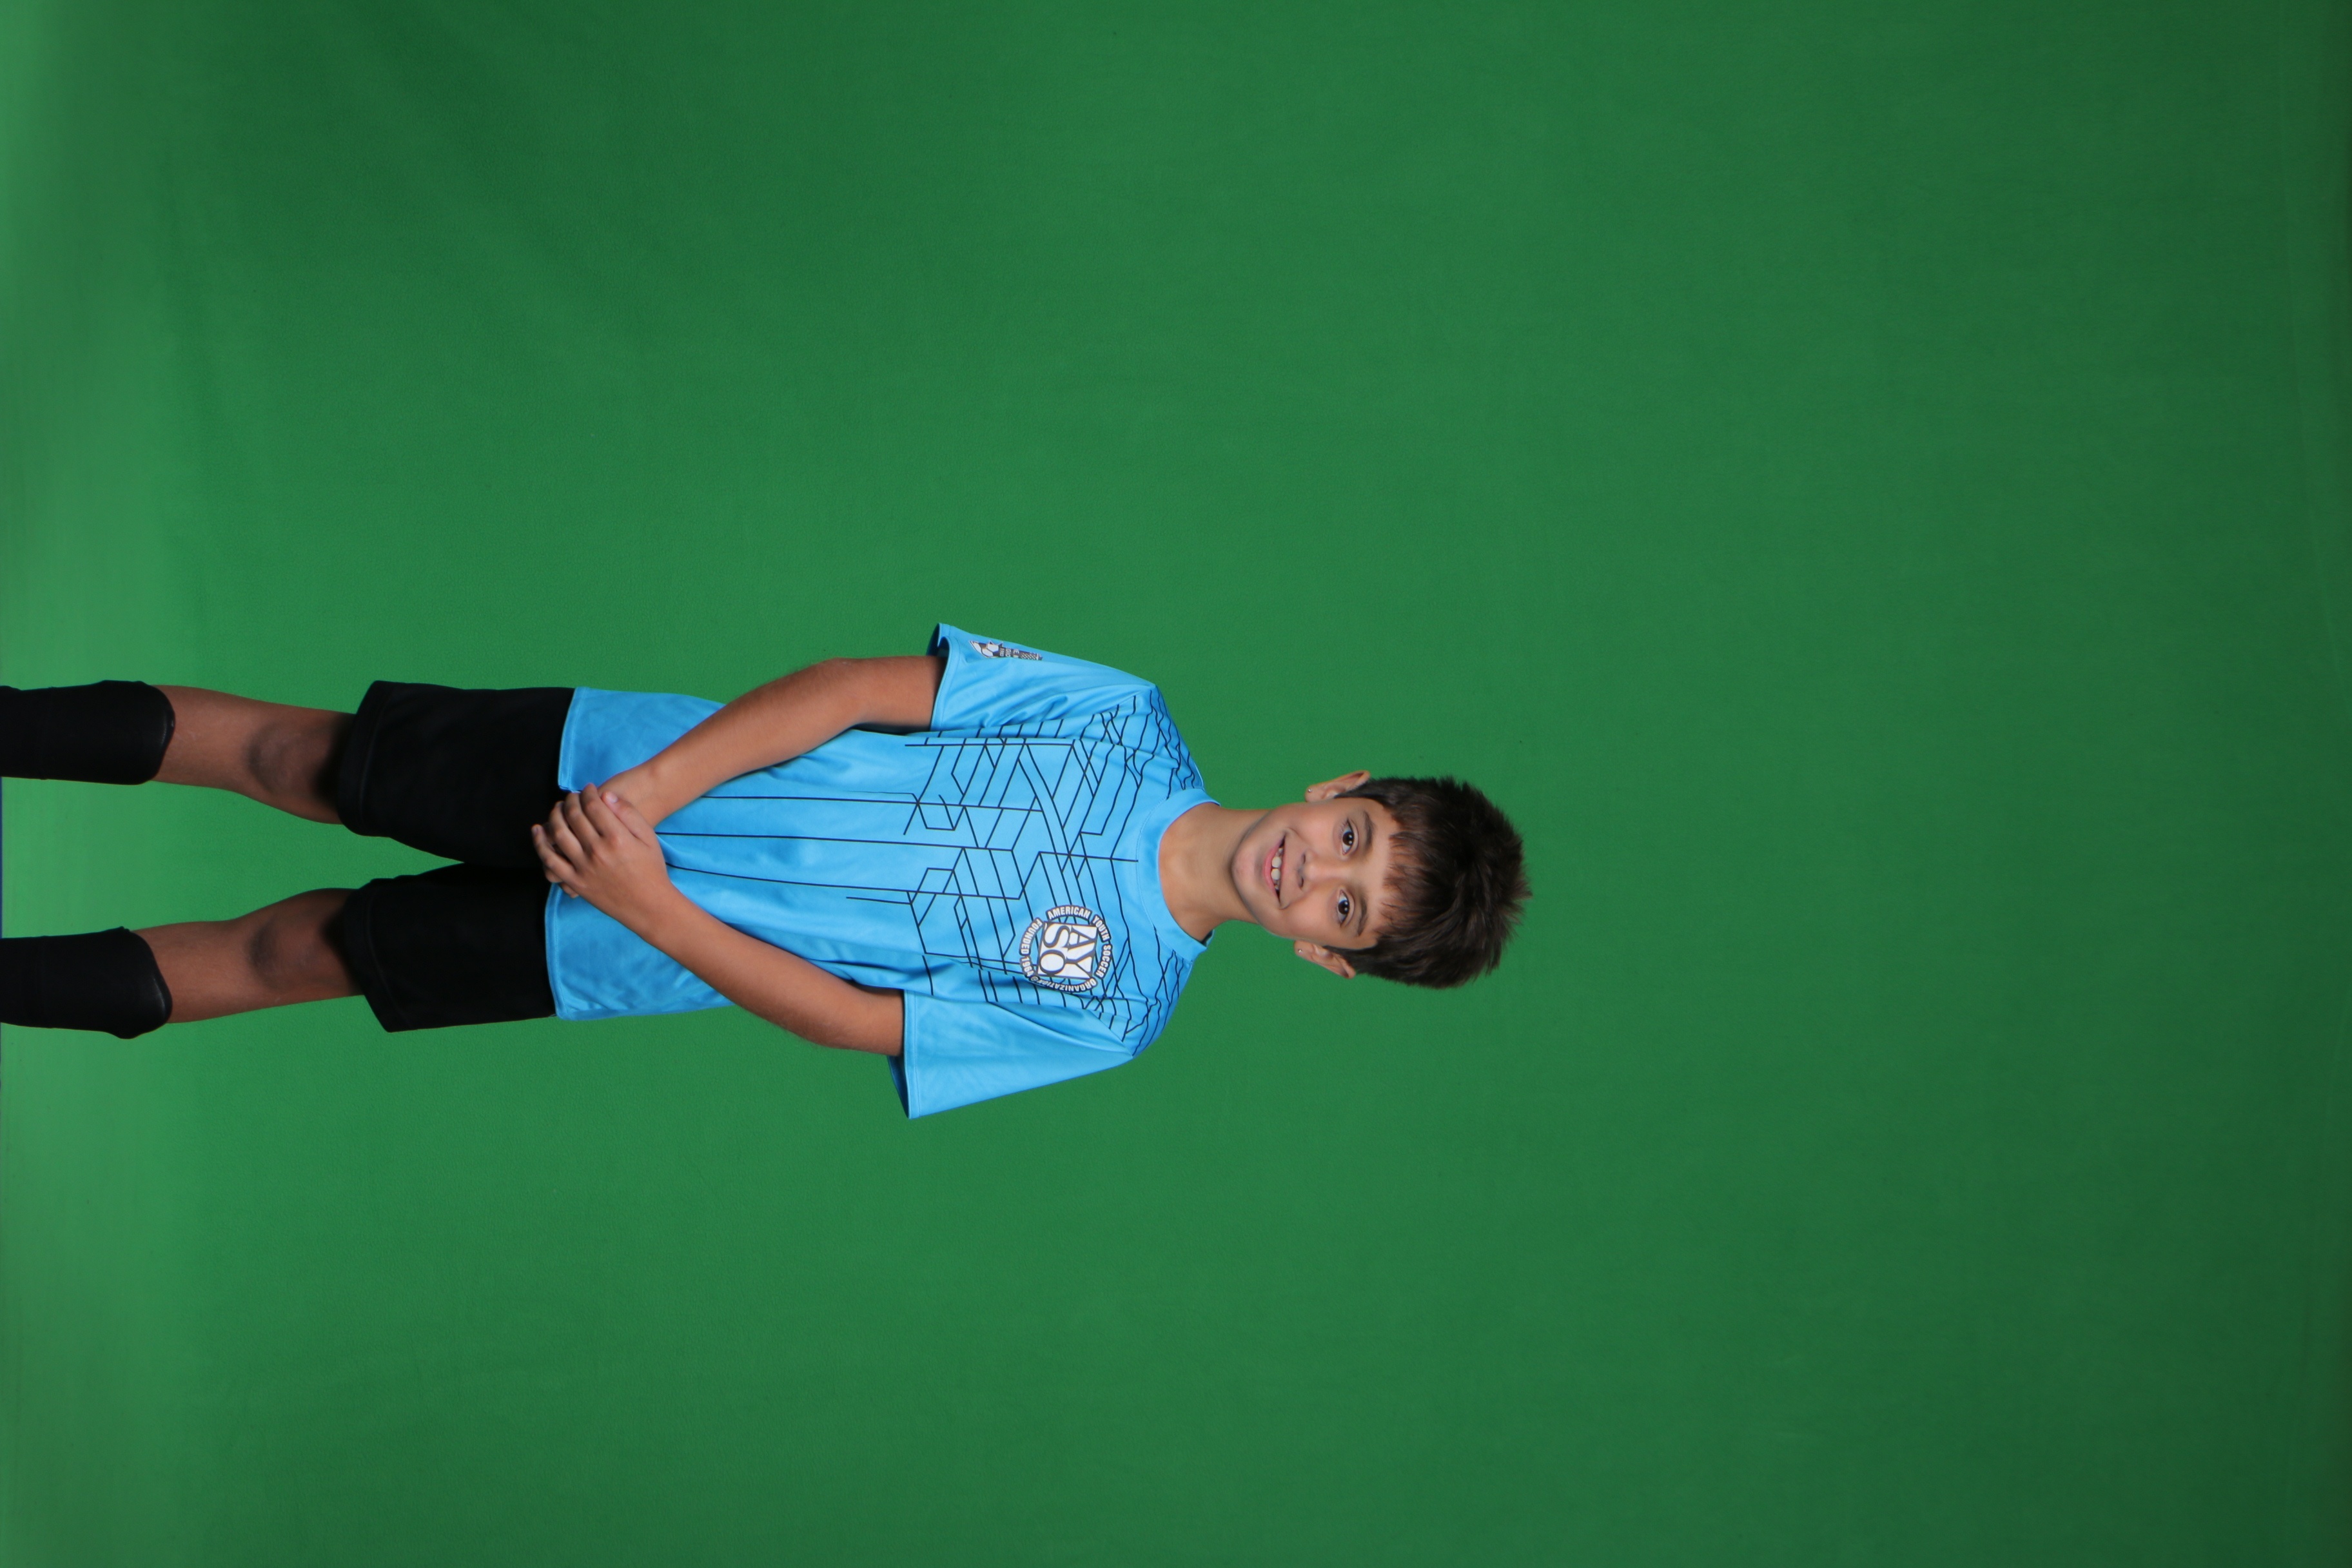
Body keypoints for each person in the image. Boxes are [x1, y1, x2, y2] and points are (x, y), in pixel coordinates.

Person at [0, 627, 1529, 1116]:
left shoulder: (1113, 1011)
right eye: (1353, 838)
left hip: (617, 942)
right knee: (298, 757)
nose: (1314, 871)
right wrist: (642, 798)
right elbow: (855, 689)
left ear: (1325, 954)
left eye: (1343, 908)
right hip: (614, 761)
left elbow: (855, 1022)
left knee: (303, 954)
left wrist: (646, 903)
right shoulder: (1120, 718)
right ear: (1339, 788)